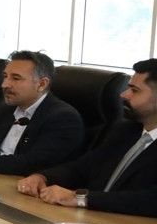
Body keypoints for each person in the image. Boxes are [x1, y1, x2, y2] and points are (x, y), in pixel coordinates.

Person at [18, 59, 157, 215]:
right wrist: (43, 177)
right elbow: (83, 168)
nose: (123, 94)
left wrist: (80, 198)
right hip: (92, 219)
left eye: (135, 90)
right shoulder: (126, 130)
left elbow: (150, 200)